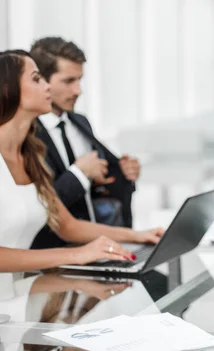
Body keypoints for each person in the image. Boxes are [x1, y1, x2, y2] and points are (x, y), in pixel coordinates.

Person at [0, 50, 163, 272]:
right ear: (8, 89)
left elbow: (67, 225)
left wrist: (137, 236)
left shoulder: (29, 155)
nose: (46, 86)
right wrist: (76, 254)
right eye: (37, 79)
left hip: (22, 291)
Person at [28, 37, 141, 250]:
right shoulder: (27, 134)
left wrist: (124, 172)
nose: (78, 90)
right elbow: (39, 208)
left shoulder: (80, 122)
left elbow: (105, 182)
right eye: (68, 81)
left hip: (96, 247)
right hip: (54, 254)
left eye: (79, 80)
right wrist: (79, 174)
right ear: (41, 80)